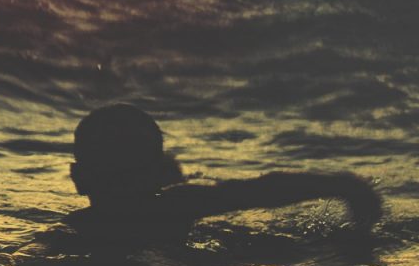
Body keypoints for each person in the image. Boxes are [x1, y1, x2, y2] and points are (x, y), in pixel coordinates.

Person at [60, 103, 383, 251]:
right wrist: (344, 186)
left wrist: (342, 185)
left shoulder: (73, 234)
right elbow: (256, 191)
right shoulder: (169, 207)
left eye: (126, 172)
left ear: (78, 177)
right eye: (116, 173)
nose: (121, 186)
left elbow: (260, 190)